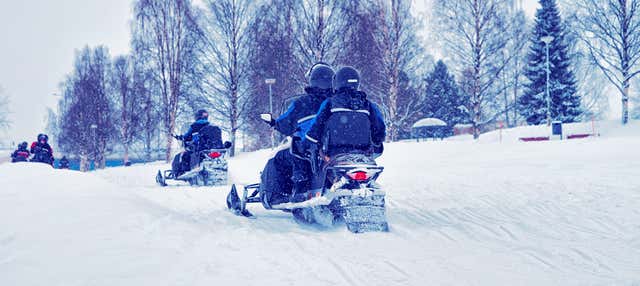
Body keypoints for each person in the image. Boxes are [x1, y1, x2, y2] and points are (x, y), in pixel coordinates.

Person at [260, 62, 335, 207]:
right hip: (333, 148)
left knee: (278, 158)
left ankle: (279, 194)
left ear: (312, 81)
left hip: (309, 147)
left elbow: (285, 125)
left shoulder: (302, 103)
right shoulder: (336, 102)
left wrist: (274, 123)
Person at [303, 66, 386, 159]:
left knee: (321, 166)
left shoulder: (330, 103)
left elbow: (317, 125)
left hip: (334, 153)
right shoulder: (368, 104)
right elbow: (379, 127)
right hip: (363, 153)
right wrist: (377, 141)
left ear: (337, 82)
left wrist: (308, 142)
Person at [173, 109, 223, 175]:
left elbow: (187, 136)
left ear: (197, 116)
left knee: (185, 155)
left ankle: (182, 172)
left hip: (199, 148)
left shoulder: (194, 126)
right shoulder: (212, 126)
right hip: (212, 148)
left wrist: (180, 137)